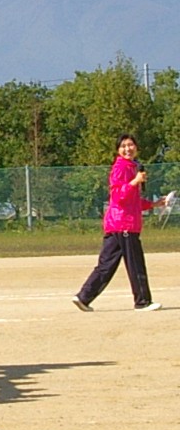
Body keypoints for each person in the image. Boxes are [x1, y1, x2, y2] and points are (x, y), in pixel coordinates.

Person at [73, 133, 172, 311]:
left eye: (130, 145)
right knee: (135, 264)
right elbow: (118, 196)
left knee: (106, 265)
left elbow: (132, 201)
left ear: (136, 147)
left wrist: (154, 204)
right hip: (124, 224)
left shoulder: (132, 167)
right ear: (118, 150)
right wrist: (135, 181)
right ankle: (142, 301)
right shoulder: (121, 168)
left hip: (117, 224)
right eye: (123, 146)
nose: (128, 149)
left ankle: (84, 297)